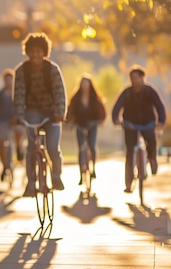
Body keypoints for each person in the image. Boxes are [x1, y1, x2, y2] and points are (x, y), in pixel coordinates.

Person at [12, 32, 67, 197]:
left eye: (39, 51)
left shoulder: (53, 69)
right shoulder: (22, 71)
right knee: (31, 148)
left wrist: (59, 113)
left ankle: (56, 177)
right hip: (32, 111)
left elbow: (60, 94)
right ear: (27, 52)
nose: (35, 55)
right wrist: (19, 115)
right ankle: (31, 183)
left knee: (52, 148)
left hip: (51, 112)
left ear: (45, 52)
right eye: (32, 51)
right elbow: (19, 95)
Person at [111, 65, 166, 193]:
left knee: (151, 141)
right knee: (130, 152)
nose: (134, 80)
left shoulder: (149, 91)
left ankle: (152, 159)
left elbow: (160, 106)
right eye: (132, 78)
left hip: (148, 124)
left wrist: (161, 121)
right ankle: (129, 183)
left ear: (142, 78)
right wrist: (116, 119)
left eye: (137, 78)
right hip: (130, 125)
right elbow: (116, 107)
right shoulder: (127, 92)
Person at [65, 74, 106, 185]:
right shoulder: (76, 98)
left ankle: (94, 169)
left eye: (87, 83)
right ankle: (80, 175)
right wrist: (68, 122)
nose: (85, 86)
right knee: (81, 149)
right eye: (83, 83)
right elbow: (70, 111)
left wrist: (101, 120)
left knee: (92, 145)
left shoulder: (95, 98)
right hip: (79, 125)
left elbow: (102, 110)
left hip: (92, 125)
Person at [0, 68, 26, 182]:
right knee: (1, 143)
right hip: (3, 121)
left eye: (11, 80)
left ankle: (19, 147)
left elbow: (23, 106)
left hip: (16, 121)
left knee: (19, 133)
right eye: (7, 80)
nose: (9, 82)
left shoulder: (17, 94)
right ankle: (5, 166)